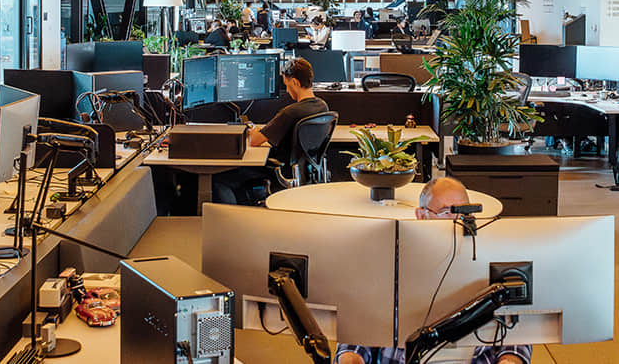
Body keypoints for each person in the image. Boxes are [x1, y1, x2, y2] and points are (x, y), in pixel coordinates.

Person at [335, 177, 531, 364]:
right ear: (421, 215)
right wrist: (351, 358)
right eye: (446, 212)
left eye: (463, 212)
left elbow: (516, 331)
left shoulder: (488, 265)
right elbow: (358, 330)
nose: (457, 220)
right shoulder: (392, 266)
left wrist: (510, 360)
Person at [213, 58, 328, 203]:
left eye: (287, 85)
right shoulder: (322, 106)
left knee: (219, 179)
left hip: (278, 168)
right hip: (303, 168)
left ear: (295, 82)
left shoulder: (290, 112)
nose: (287, 90)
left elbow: (255, 141)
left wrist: (253, 131)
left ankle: (230, 215)